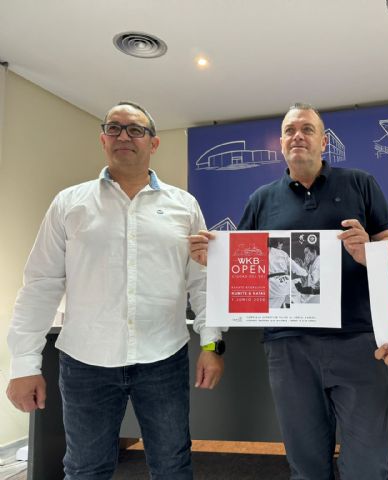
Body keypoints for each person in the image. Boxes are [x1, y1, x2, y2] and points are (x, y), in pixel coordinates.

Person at [6, 102, 225, 479]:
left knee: (173, 464)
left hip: (163, 358)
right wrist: (24, 365)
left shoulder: (184, 206)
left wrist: (212, 345)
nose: (124, 136)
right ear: (103, 139)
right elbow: (41, 284)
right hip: (85, 362)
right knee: (85, 469)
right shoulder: (69, 204)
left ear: (153, 143)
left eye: (136, 129)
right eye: (114, 128)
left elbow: (202, 282)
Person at [189, 103, 388, 479]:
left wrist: (369, 248)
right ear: (280, 143)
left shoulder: (360, 183)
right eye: (290, 130)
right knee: (305, 463)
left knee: (368, 462)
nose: (298, 136)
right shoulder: (261, 199)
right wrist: (214, 261)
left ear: (323, 142)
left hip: (358, 340)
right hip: (288, 346)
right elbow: (244, 268)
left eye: (307, 129)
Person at [269, 238, 307, 308]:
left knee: (274, 304)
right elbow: (295, 267)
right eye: (281, 244)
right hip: (286, 281)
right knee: (296, 297)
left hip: (272, 285)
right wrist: (305, 273)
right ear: (278, 243)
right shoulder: (282, 253)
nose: (281, 246)